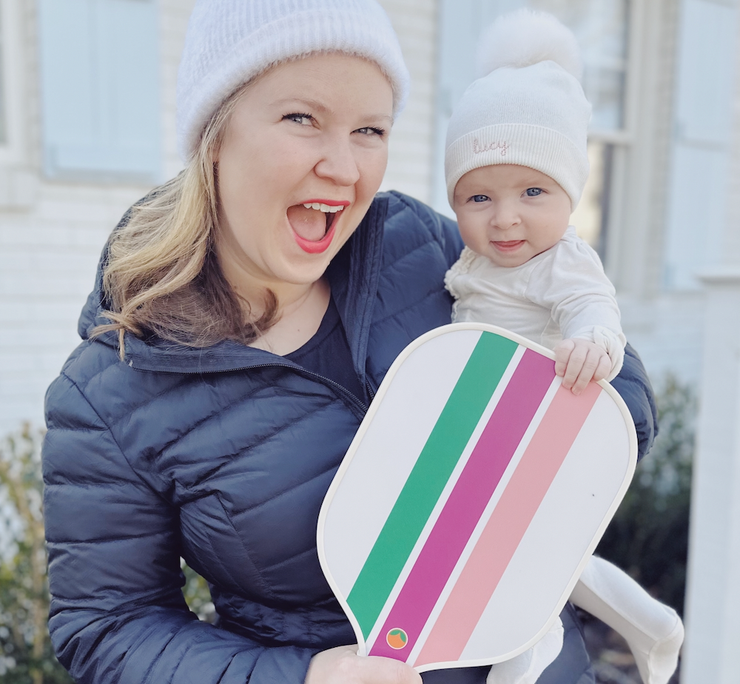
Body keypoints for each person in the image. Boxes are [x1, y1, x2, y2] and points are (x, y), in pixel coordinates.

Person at [41, 2, 658, 683]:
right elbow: (107, 629)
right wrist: (306, 676)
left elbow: (619, 386)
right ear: (214, 136)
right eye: (301, 119)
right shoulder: (108, 391)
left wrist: (565, 407)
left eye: (370, 129)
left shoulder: (420, 248)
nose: (344, 167)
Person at [442, 11, 683, 684]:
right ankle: (649, 624)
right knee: (535, 549)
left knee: (514, 553)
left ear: (571, 196)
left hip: (544, 422)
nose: (506, 216)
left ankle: (528, 649)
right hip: (494, 425)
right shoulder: (474, 262)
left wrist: (594, 342)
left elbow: (592, 308)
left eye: (533, 191)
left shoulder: (562, 261)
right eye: (478, 196)